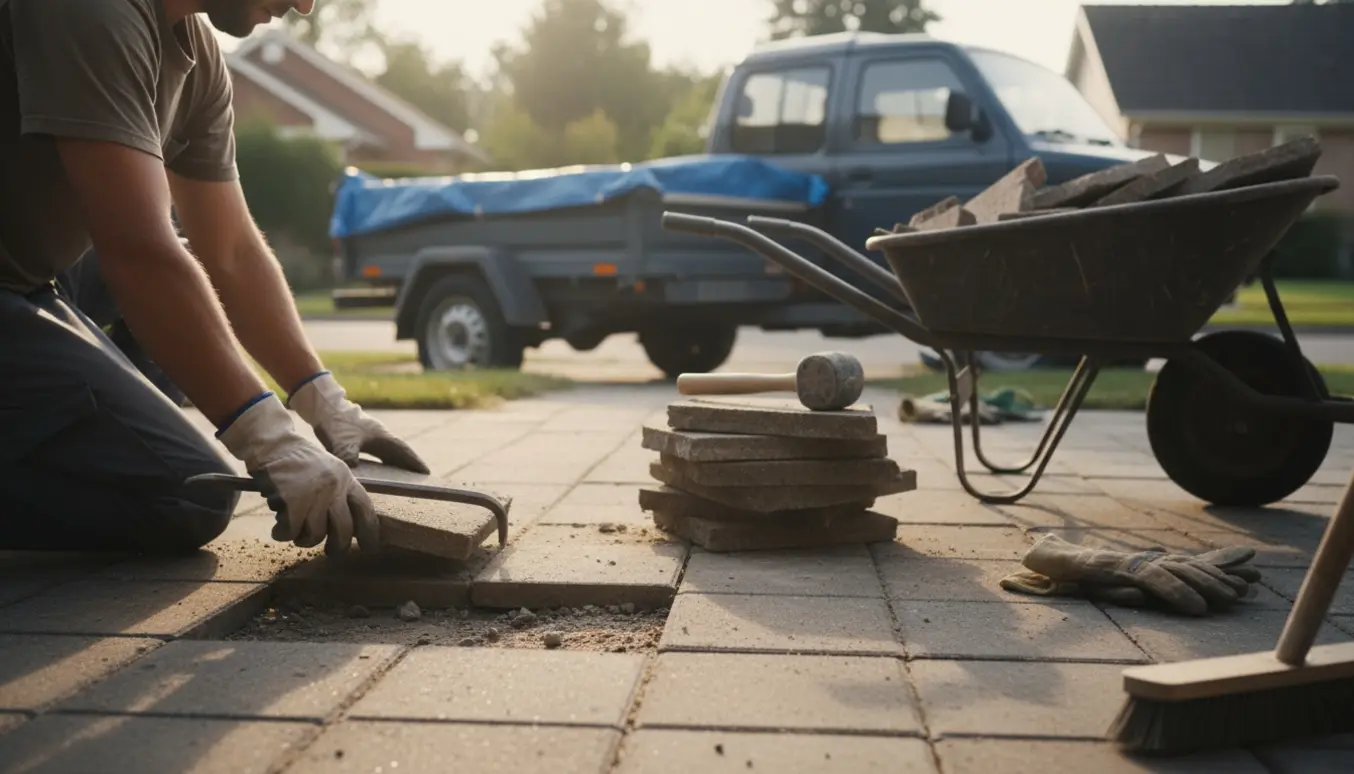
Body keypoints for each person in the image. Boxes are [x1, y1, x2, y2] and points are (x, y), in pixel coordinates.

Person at [0, 0, 430, 557]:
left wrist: (324, 403)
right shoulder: (91, 10)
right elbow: (136, 250)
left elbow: (230, 252)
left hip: (30, 275)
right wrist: (268, 438)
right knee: (185, 494)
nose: (304, 5)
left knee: (184, 284)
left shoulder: (197, 59)